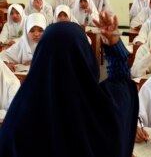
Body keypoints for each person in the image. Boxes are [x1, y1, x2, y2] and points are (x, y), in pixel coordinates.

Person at [0, 12, 139, 157]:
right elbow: (121, 82)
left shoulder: (18, 117)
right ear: (85, 57)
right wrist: (114, 48)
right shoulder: (102, 110)